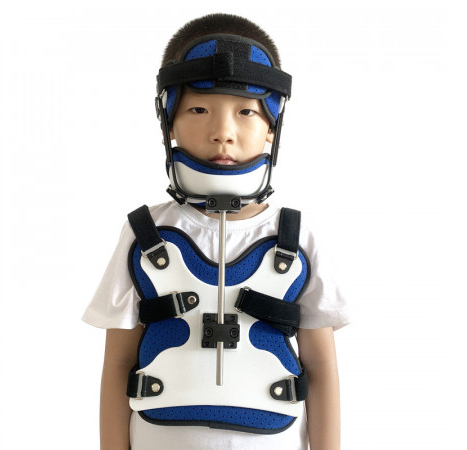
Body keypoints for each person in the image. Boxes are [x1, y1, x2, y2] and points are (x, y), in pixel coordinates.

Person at [82, 13, 350, 450]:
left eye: (246, 111)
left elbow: (320, 366)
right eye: (199, 109)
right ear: (168, 119)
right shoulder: (143, 233)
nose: (222, 132)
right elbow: (117, 364)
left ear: (272, 126)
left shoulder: (299, 238)